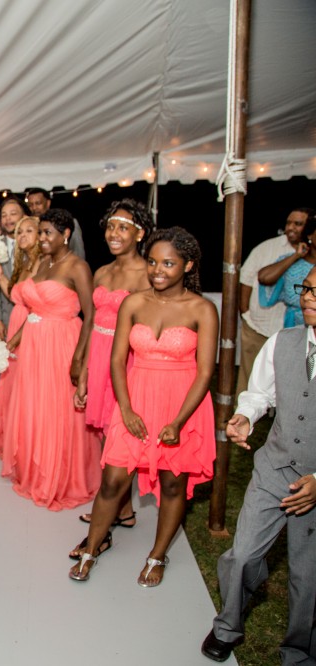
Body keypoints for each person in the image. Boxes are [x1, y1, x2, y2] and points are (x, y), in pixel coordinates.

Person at [70, 227, 217, 586]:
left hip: (183, 405)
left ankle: (157, 555)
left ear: (188, 265)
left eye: (168, 263)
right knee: (112, 482)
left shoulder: (202, 309)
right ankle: (92, 547)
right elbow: (117, 360)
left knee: (173, 485)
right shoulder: (133, 303)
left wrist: (179, 422)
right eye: (152, 262)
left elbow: (205, 372)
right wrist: (126, 409)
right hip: (135, 400)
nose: (157, 270)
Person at [201, 265, 316, 665]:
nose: (308, 296)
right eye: (306, 288)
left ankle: (300, 652)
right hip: (275, 468)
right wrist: (246, 416)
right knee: (243, 555)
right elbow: (260, 393)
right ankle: (227, 626)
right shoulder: (282, 341)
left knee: (308, 577)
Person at [0, 209, 100, 510]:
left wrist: (79, 358)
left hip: (61, 343)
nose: (42, 238)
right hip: (34, 345)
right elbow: (34, 309)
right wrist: (14, 340)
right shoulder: (44, 262)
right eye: (40, 232)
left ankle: (60, 476)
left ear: (65, 234)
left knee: (57, 409)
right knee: (35, 406)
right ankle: (35, 470)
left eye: (47, 233)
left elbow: (91, 315)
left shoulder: (77, 267)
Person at [70, 200, 155, 537]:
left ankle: (110, 511)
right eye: (110, 227)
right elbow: (92, 322)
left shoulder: (147, 274)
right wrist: (84, 373)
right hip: (99, 357)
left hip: (127, 361)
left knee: (121, 439)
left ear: (140, 234)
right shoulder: (102, 272)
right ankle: (124, 510)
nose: (114, 234)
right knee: (107, 437)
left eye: (123, 227)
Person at [0, 216, 41, 454]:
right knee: (12, 381)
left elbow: (38, 304)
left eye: (29, 231)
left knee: (28, 383)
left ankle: (27, 437)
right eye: (19, 232)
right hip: (17, 321)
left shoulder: (44, 263)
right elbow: (15, 295)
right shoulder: (24, 264)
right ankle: (12, 431)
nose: (22, 235)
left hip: (31, 326)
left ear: (40, 235)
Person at [236, 208, 309, 396]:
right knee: (250, 380)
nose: (291, 227)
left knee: (289, 381)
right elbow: (248, 278)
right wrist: (245, 313)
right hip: (259, 327)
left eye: (298, 224)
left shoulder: (312, 255)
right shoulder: (267, 248)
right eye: (289, 223)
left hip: (296, 330)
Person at [257, 211, 316, 329]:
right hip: (295, 327)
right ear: (310, 235)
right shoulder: (293, 261)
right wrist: (296, 256)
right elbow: (264, 277)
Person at [0, 197, 27, 341]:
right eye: (4, 215)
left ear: (24, 216)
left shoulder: (34, 244)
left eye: (13, 214)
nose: (8, 219)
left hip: (31, 316)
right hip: (6, 317)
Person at [25, 187, 85, 259]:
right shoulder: (28, 226)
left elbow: (78, 251)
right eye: (30, 205)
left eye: (38, 203)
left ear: (48, 203)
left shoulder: (66, 222)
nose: (34, 208)